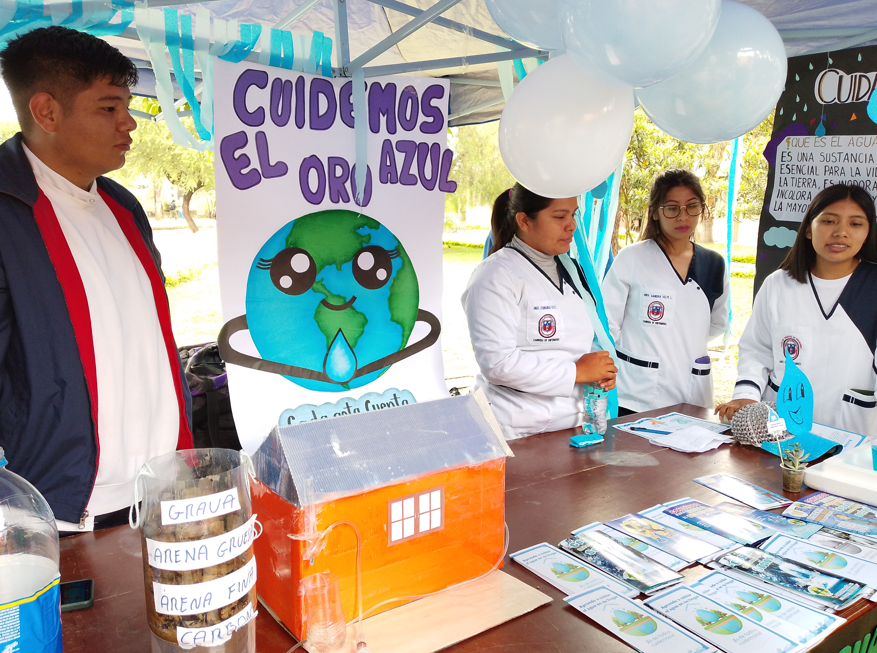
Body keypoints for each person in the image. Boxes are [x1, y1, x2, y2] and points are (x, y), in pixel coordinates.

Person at [0, 27, 192, 532]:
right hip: (61, 512)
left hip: (161, 491)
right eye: (109, 107)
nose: (129, 122)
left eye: (127, 106)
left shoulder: (122, 205)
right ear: (47, 112)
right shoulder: (7, 210)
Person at [716, 183, 877, 434]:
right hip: (781, 427)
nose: (841, 232)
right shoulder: (778, 284)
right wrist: (746, 394)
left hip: (852, 428)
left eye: (855, 224)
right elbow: (757, 349)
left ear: (868, 233)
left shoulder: (872, 285)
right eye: (828, 221)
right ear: (809, 229)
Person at [461, 183, 617, 440]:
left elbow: (584, 337)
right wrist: (577, 372)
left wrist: (599, 369)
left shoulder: (573, 270)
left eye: (573, 214)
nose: (572, 226)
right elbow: (497, 363)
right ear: (524, 221)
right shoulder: (495, 275)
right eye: (559, 216)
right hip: (516, 430)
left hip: (574, 425)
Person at [602, 169, 729, 415]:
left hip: (692, 389)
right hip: (637, 393)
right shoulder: (632, 258)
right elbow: (608, 323)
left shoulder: (714, 264)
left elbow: (717, 324)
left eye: (692, 206)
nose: (683, 216)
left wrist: (681, 341)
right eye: (671, 208)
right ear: (655, 212)